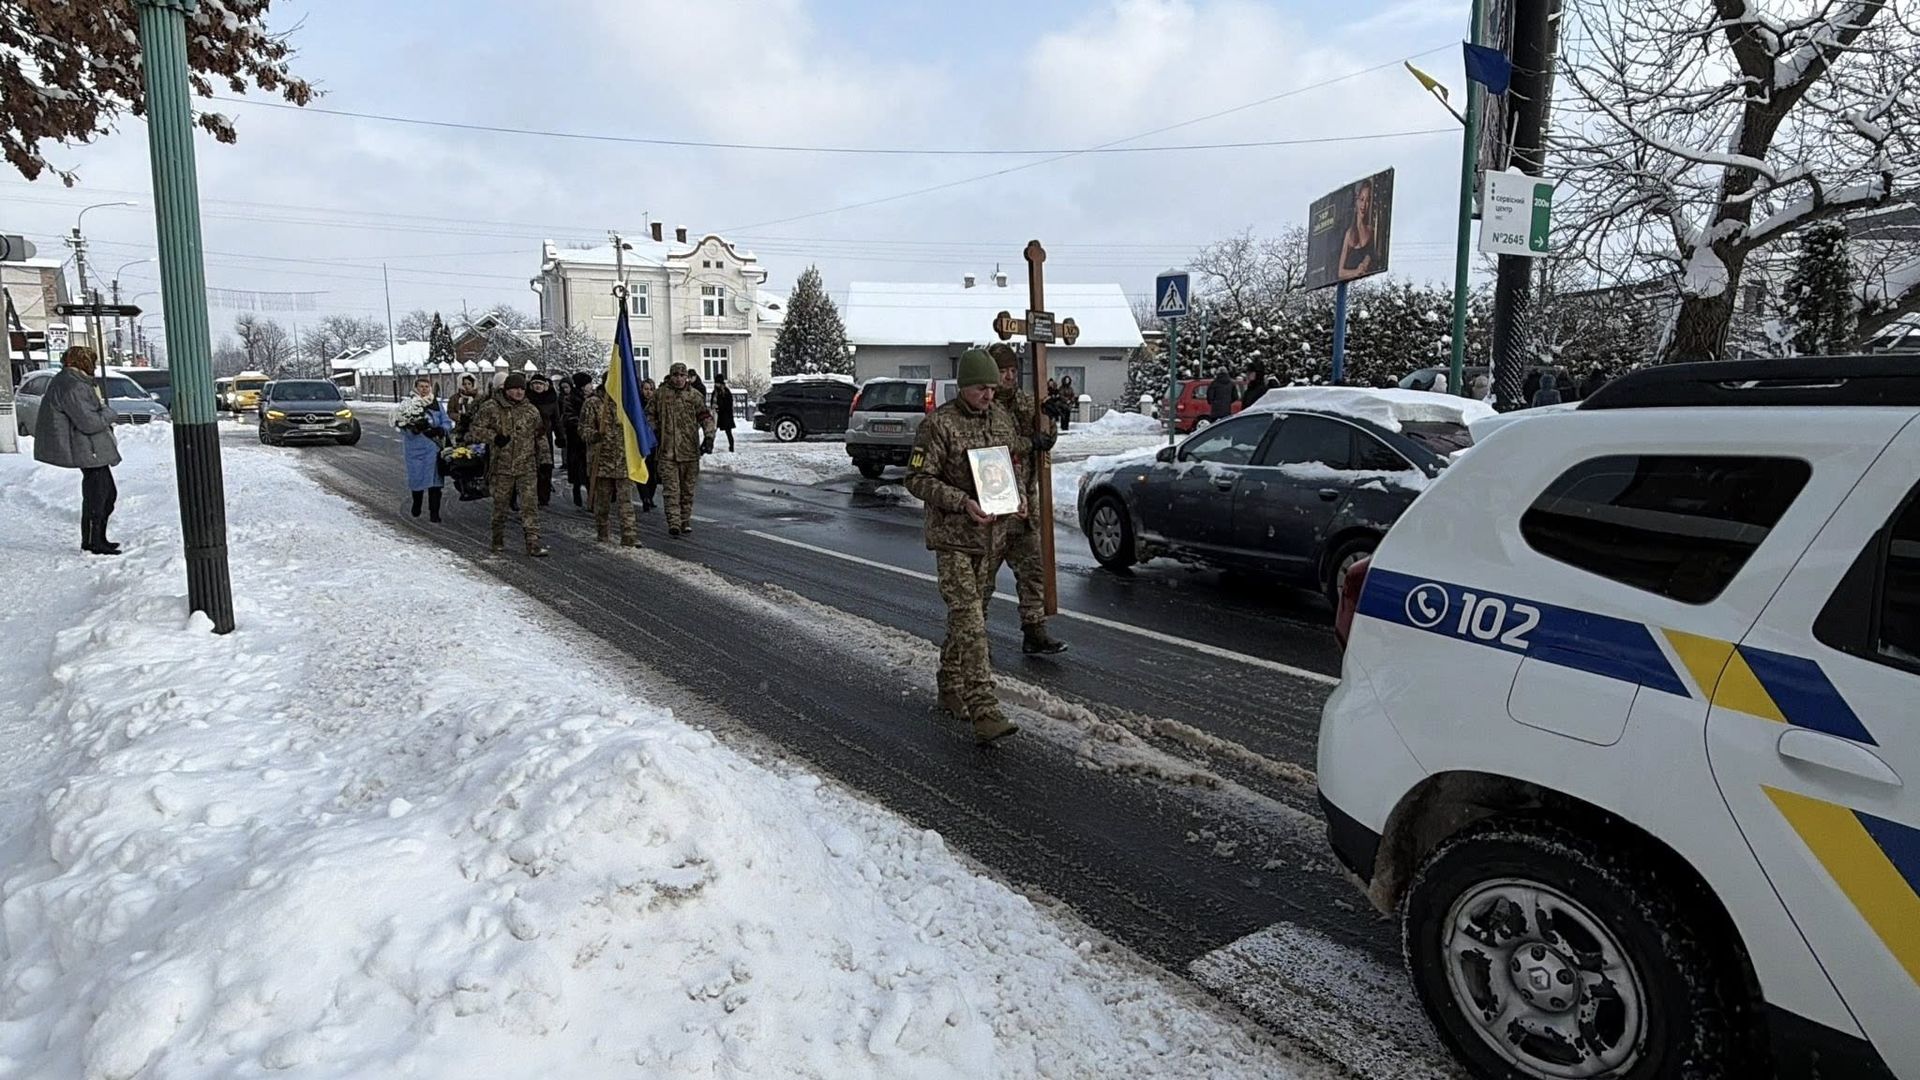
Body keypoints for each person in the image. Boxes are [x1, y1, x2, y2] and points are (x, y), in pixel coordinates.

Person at [906, 347, 1022, 745]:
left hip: (991, 537)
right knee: (969, 619)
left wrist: (1016, 497)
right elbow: (917, 479)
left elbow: (1011, 465)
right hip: (953, 538)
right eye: (980, 388)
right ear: (963, 387)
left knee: (972, 618)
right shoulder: (940, 425)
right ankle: (983, 709)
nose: (989, 395)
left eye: (992, 388)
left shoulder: (1001, 420)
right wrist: (962, 502)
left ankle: (949, 684)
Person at [988, 344, 1066, 656]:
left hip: (1024, 507)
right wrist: (1029, 443)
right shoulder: (984, 405)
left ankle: (1034, 630)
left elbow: (1044, 438)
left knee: (1033, 570)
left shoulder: (1025, 401)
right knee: (982, 578)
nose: (1009, 376)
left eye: (1012, 370)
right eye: (1002, 371)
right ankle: (974, 636)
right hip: (993, 507)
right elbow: (996, 447)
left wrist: (1051, 421)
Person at [32, 346, 123, 556]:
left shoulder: (72, 381)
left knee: (104, 494)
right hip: (87, 448)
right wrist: (109, 413)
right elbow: (89, 422)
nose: (95, 366)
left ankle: (97, 539)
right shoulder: (73, 385)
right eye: (92, 361)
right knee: (98, 496)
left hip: (91, 448)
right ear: (83, 362)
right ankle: (93, 542)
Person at [466, 372, 549, 557]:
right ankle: (498, 539)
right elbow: (474, 430)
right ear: (506, 390)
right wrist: (494, 438)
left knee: (529, 505)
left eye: (521, 388)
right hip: (502, 467)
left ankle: (533, 542)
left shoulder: (531, 411)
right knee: (500, 506)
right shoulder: (491, 408)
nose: (519, 392)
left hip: (527, 466)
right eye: (514, 389)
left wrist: (545, 461)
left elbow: (540, 436)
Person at [646, 362, 716, 537]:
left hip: (689, 451)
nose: (678, 379)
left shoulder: (694, 396)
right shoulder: (660, 395)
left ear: (687, 377)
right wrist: (654, 430)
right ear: (671, 377)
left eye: (682, 376)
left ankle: (685, 520)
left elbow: (705, 417)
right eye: (675, 376)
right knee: (671, 490)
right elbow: (649, 415)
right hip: (667, 452)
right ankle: (674, 522)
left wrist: (709, 437)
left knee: (687, 490)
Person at [579, 373, 639, 547]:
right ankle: (602, 532)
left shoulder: (628, 403)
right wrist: (595, 435)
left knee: (626, 502)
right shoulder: (593, 403)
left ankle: (629, 535)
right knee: (602, 502)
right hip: (602, 461)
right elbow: (583, 429)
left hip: (623, 461)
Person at [396, 376, 452, 522]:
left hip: (433, 450)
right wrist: (413, 429)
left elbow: (446, 422)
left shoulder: (436, 404)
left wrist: (441, 429)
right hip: (415, 449)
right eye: (421, 387)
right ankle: (417, 503)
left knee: (435, 483)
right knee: (417, 479)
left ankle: (434, 512)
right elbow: (401, 425)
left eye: (427, 387)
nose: (424, 389)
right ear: (416, 388)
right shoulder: (408, 405)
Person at [526, 372, 562, 508]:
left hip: (545, 438)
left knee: (546, 467)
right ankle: (531, 495)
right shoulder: (526, 399)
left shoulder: (551, 400)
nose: (537, 386)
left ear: (545, 385)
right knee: (531, 468)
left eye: (540, 384)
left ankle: (544, 497)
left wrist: (560, 437)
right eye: (535, 384)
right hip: (528, 438)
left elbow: (557, 421)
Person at [1338, 178, 1379, 281]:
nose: (1364, 205)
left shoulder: (1371, 231)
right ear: (1356, 201)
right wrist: (1356, 272)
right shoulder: (1349, 234)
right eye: (1361, 199)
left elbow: (1371, 258)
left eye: (1367, 200)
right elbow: (1340, 273)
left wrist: (1366, 263)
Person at [562, 371, 591, 508]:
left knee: (589, 468)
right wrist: (582, 425)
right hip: (576, 439)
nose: (590, 386)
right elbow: (568, 417)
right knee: (578, 467)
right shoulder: (570, 399)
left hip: (590, 439)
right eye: (588, 384)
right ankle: (576, 490)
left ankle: (591, 496)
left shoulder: (592, 398)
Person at [637, 378, 660, 513]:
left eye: (651, 389)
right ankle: (645, 497)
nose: (648, 392)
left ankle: (650, 497)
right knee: (642, 470)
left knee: (653, 473)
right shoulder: (637, 404)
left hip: (654, 441)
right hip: (641, 441)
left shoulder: (657, 403)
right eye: (646, 389)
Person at [711, 371, 736, 453]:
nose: (716, 385)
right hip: (717, 415)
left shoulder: (726, 392)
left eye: (717, 383)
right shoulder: (715, 392)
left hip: (725, 416)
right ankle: (709, 447)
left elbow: (728, 404)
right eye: (715, 383)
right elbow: (712, 402)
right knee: (712, 432)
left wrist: (719, 407)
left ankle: (731, 447)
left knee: (728, 432)